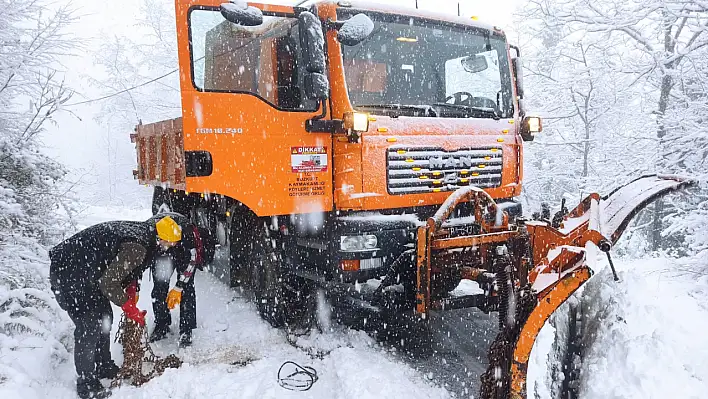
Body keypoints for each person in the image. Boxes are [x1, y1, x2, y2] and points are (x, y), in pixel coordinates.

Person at [49, 216, 183, 399]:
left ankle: (104, 365)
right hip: (70, 275)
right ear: (160, 239)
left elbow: (124, 268)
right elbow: (109, 284)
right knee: (90, 326)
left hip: (89, 273)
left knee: (105, 317)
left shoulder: (144, 234)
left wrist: (131, 289)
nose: (169, 248)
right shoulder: (138, 247)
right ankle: (86, 385)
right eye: (169, 244)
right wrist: (129, 307)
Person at [147, 212, 212, 348]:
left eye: (174, 242)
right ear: (160, 239)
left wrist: (179, 287)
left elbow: (192, 261)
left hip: (184, 251)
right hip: (162, 253)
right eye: (171, 242)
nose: (173, 244)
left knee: (187, 290)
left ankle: (186, 330)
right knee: (159, 287)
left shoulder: (187, 235)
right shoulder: (150, 236)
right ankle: (162, 324)